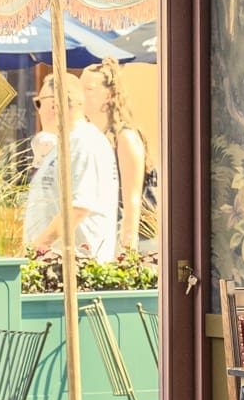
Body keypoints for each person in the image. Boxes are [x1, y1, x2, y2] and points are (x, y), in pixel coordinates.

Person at [22, 72, 118, 261]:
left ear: (53, 105)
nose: (38, 111)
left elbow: (78, 208)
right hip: (57, 263)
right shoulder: (67, 143)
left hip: (77, 268)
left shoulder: (84, 142)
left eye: (38, 103)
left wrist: (37, 248)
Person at [82, 58, 150, 253]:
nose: (81, 95)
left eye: (89, 89)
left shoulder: (125, 137)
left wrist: (127, 252)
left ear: (109, 95)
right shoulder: (89, 136)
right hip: (100, 237)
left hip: (127, 240)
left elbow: (131, 200)